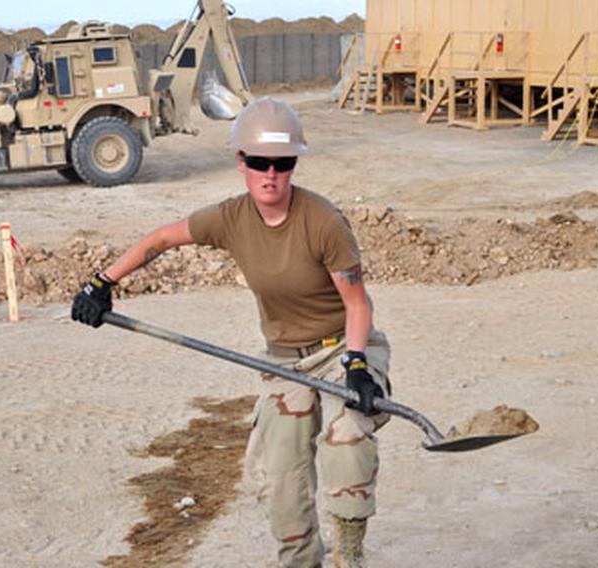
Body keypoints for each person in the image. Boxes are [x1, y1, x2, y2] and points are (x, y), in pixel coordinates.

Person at [71, 96, 391, 568]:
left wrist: (358, 365)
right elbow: (159, 239)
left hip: (345, 346)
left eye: (282, 163)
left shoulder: (324, 222)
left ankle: (349, 555)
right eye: (259, 162)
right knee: (280, 477)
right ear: (241, 161)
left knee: (347, 437)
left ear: (293, 164)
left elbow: (357, 303)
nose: (271, 174)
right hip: (284, 359)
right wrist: (102, 283)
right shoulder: (229, 219)